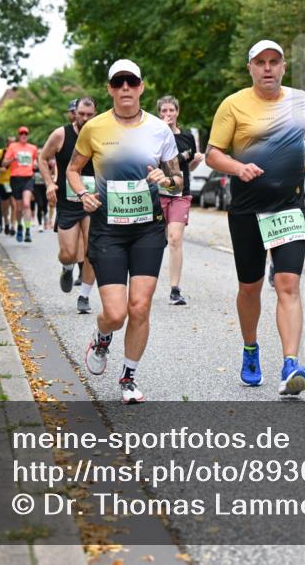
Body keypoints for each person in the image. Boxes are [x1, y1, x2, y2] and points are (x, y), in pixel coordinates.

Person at [205, 39, 305, 397]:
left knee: (288, 284)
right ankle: (250, 348)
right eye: (261, 62)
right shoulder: (233, 105)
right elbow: (214, 155)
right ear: (250, 68)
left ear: (284, 67)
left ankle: (291, 363)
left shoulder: (301, 102)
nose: (268, 68)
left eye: (274, 62)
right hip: (246, 210)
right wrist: (238, 167)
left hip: (288, 207)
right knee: (250, 287)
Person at [67, 60, 181, 404]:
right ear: (110, 90)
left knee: (140, 306)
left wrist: (166, 179)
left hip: (148, 229)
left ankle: (128, 378)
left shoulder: (160, 129)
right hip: (108, 229)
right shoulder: (94, 128)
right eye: (119, 83)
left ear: (142, 87)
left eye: (132, 82)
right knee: (115, 313)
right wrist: (84, 194)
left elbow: (178, 182)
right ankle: (102, 338)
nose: (126, 88)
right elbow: (73, 169)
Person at [39, 96, 98, 314]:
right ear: (74, 112)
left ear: (95, 114)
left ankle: (84, 296)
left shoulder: (101, 134)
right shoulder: (61, 134)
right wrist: (49, 184)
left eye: (89, 115)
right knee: (68, 252)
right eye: (81, 113)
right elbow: (42, 158)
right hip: (67, 201)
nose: (84, 118)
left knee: (93, 251)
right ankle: (67, 267)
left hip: (93, 202)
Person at [156, 95, 204, 305]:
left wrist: (195, 162)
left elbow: (188, 168)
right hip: (157, 192)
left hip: (180, 194)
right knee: (156, 241)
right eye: (164, 111)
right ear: (159, 114)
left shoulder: (186, 138)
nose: (168, 115)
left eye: (171, 111)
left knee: (175, 238)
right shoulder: (154, 135)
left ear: (177, 112)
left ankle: (175, 290)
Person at [2, 127, 39, 242]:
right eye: (21, 133)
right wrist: (12, 159)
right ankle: (19, 226)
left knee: (27, 204)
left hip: (28, 178)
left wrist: (36, 165)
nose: (24, 135)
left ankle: (27, 231)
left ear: (28, 135)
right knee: (18, 208)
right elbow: (4, 163)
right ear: (19, 135)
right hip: (15, 179)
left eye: (26, 133)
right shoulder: (12, 147)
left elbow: (35, 163)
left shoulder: (33, 148)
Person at [0, 137, 15, 234]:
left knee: (14, 204)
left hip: (15, 181)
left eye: (14, 143)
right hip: (4, 181)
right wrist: (0, 169)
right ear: (7, 143)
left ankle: (13, 226)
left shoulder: (17, 153)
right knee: (5, 205)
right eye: (10, 143)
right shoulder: (0, 152)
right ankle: (6, 223)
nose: (12, 145)